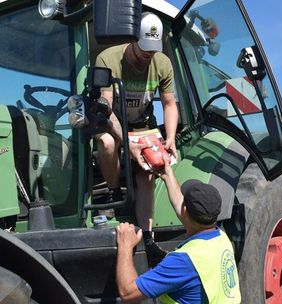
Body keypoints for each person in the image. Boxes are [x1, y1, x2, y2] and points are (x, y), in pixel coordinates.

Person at [94, 11, 178, 264]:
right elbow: (105, 107)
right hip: (113, 121)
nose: (146, 57)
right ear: (133, 39)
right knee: (106, 143)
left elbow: (169, 104)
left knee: (149, 170)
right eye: (143, 51)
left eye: (151, 52)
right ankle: (111, 194)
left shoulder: (162, 63)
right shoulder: (107, 58)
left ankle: (148, 237)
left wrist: (170, 138)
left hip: (143, 125)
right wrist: (127, 142)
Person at [115, 157, 241, 303]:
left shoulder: (183, 260)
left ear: (185, 210)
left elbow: (127, 293)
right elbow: (183, 208)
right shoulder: (220, 238)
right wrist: (169, 176)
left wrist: (125, 247)